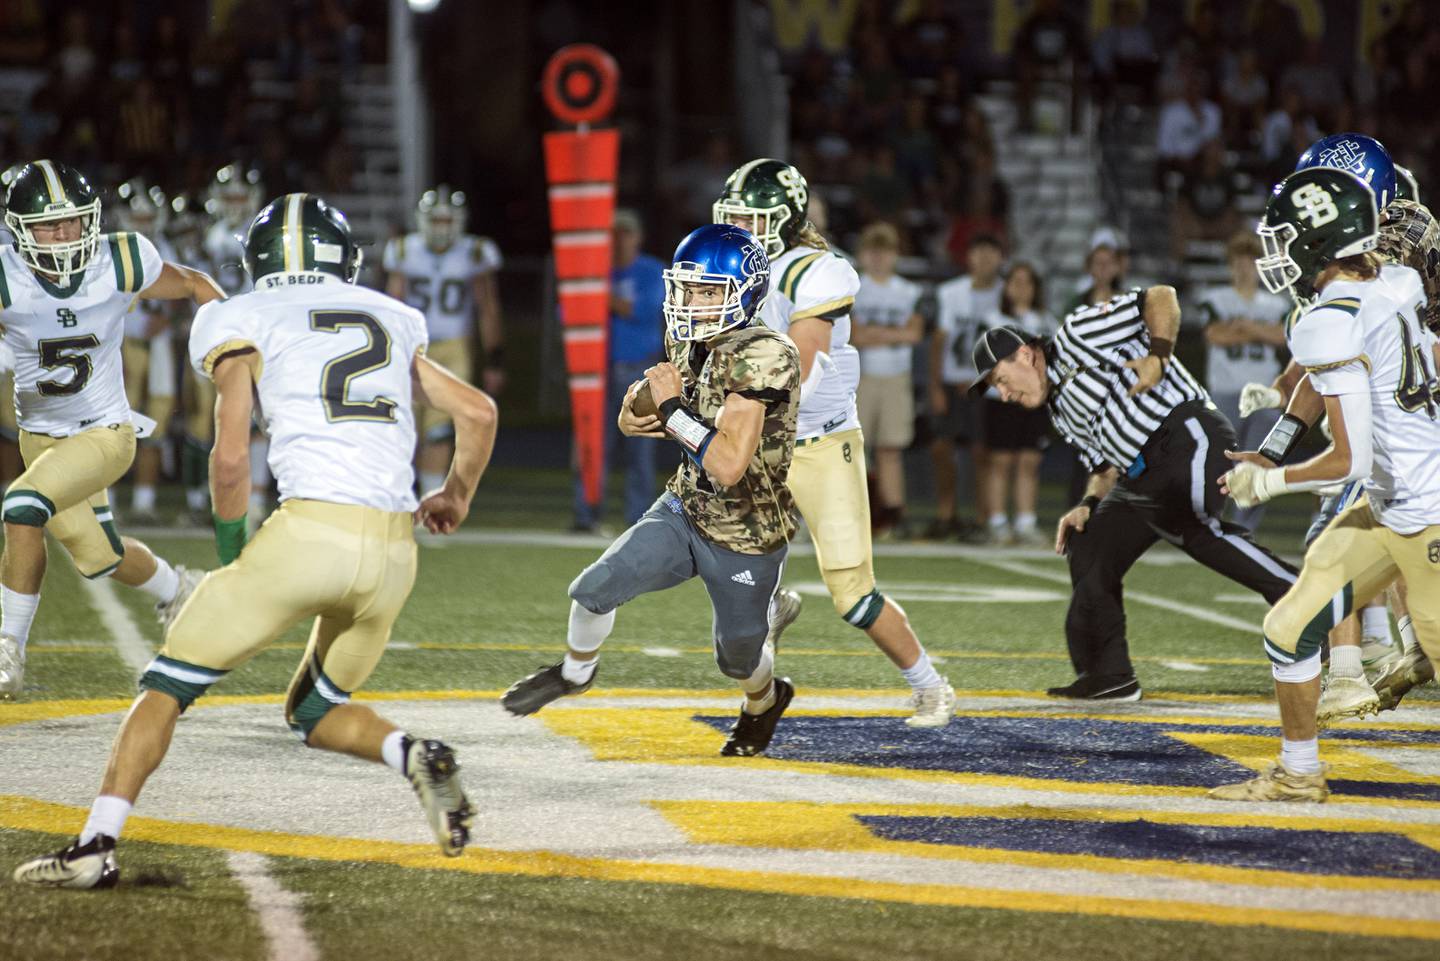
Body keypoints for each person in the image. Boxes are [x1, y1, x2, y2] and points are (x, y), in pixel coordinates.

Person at [13, 193, 498, 886]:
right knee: (313, 710)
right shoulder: (391, 314)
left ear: (257, 260)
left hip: (308, 535)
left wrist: (235, 548)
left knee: (164, 685)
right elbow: (478, 411)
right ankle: (413, 754)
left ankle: (94, 847)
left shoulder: (236, 314)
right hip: (393, 555)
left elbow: (232, 454)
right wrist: (453, 495)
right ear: (344, 257)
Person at [502, 223, 804, 755]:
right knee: (594, 589)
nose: (692, 301)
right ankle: (575, 673)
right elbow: (632, 420)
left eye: (708, 290)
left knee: (737, 659)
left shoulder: (764, 354)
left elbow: (730, 464)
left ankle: (765, 698)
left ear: (744, 293)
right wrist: (642, 401)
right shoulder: (690, 341)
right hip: (686, 508)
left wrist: (668, 408)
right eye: (688, 288)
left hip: (747, 532)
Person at [1211, 167, 1440, 802]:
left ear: (1318, 238)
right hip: (1392, 504)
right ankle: (1298, 772)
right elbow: (1321, 383)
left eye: (1285, 235)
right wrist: (1269, 446)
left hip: (1425, 511)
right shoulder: (1395, 281)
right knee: (1289, 626)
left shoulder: (1328, 317)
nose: (1276, 250)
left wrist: (1268, 481)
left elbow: (1350, 459)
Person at [713, 159, 955, 726]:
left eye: (753, 220)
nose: (740, 231)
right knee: (719, 558)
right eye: (734, 219)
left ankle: (930, 685)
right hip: (756, 437)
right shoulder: (725, 264)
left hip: (819, 441)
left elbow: (801, 364)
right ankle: (767, 610)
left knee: (852, 592)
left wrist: (733, 404)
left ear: (784, 220)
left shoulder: (816, 269)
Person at [970, 285, 1298, 701]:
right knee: (1088, 546)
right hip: (1140, 476)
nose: (1004, 394)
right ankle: (1110, 675)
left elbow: (1161, 297)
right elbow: (1104, 470)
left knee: (1189, 522)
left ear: (1025, 354)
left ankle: (1305, 598)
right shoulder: (1059, 406)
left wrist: (1158, 356)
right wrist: (1088, 505)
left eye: (1000, 380)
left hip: (1186, 434)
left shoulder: (1076, 335)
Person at [0, 161, 222, 701]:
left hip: (105, 431)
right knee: (101, 557)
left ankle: (7, 647)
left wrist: (231, 351)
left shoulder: (119, 260)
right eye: (49, 226)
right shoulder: (7, 275)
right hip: (41, 435)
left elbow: (196, 285)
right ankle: (179, 590)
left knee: (21, 505)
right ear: (17, 229)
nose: (65, 235)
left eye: (74, 222)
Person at [384, 186, 505, 500]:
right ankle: (398, 498)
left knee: (440, 429)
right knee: (402, 425)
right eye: (435, 220)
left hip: (453, 347)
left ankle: (429, 500)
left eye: (446, 221)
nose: (440, 227)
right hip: (412, 347)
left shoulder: (474, 252)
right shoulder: (403, 250)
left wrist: (495, 358)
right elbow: (391, 305)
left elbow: (487, 308)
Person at [572, 209, 666, 531]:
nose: (619, 240)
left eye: (626, 233)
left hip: (639, 370)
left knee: (640, 449)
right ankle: (585, 514)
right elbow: (568, 311)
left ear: (638, 237)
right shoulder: (595, 269)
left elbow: (642, 311)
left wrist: (597, 293)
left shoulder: (651, 271)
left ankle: (638, 517)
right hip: (597, 371)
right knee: (592, 445)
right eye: (614, 233)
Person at [1197, 231, 1289, 530]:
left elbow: (1282, 337)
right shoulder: (1215, 298)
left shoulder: (1276, 303)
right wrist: (1260, 330)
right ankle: (1210, 521)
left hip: (1263, 394)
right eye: (1239, 260)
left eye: (1250, 261)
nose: (1244, 267)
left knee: (1258, 463)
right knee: (1217, 463)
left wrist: (1244, 326)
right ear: (1230, 264)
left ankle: (1244, 528)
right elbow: (1216, 336)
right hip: (1225, 392)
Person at [201, 163, 268, 524]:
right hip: (221, 332)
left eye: (241, 196)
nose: (235, 203)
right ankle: (215, 498)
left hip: (255, 332)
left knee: (256, 418)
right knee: (219, 418)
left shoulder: (261, 232)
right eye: (229, 196)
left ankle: (255, 499)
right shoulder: (211, 235)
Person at [851, 222, 923, 540]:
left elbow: (915, 333)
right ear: (863, 255)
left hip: (895, 375)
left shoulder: (908, 291)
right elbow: (853, 334)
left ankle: (893, 513)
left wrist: (875, 334)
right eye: (873, 251)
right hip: (860, 374)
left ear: (895, 255)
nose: (879, 258)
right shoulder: (853, 287)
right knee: (854, 448)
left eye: (885, 251)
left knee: (890, 448)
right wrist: (892, 335)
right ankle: (855, 513)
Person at [930, 233, 1003, 542]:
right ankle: (947, 513)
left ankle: (982, 516)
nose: (984, 260)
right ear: (968, 257)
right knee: (942, 448)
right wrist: (934, 385)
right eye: (978, 252)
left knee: (982, 452)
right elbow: (939, 341)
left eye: (990, 253)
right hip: (951, 380)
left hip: (988, 386)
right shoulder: (951, 292)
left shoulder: (1005, 294)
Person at [114, 180, 179, 523]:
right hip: (121, 342)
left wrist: (171, 320)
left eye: (147, 217)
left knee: (156, 423)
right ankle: (105, 502)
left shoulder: (167, 248)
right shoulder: (110, 250)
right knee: (113, 424)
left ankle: (144, 502)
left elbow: (186, 296)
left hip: (161, 346)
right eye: (136, 217)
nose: (142, 223)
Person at [980, 262, 1055, 545]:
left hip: (1033, 402)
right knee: (1000, 461)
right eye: (1015, 282)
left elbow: (1052, 363)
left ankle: (1026, 521)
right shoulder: (992, 319)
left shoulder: (1046, 321)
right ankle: (997, 521)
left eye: (1027, 282)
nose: (1021, 288)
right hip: (1002, 398)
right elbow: (985, 363)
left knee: (1029, 461)